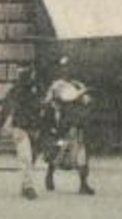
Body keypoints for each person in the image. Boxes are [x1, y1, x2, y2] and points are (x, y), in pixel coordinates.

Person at [41, 60, 95, 196]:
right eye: (64, 68)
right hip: (63, 125)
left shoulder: (78, 84)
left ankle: (83, 184)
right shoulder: (56, 85)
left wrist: (84, 97)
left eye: (70, 67)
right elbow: (49, 102)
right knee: (58, 150)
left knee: (82, 154)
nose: (67, 70)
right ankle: (49, 175)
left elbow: (87, 101)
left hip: (78, 124)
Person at [0, 64, 44, 200]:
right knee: (26, 157)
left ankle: (25, 184)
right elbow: (5, 110)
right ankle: (28, 186)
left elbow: (40, 111)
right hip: (20, 129)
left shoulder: (33, 92)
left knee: (31, 158)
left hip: (32, 129)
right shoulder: (16, 92)